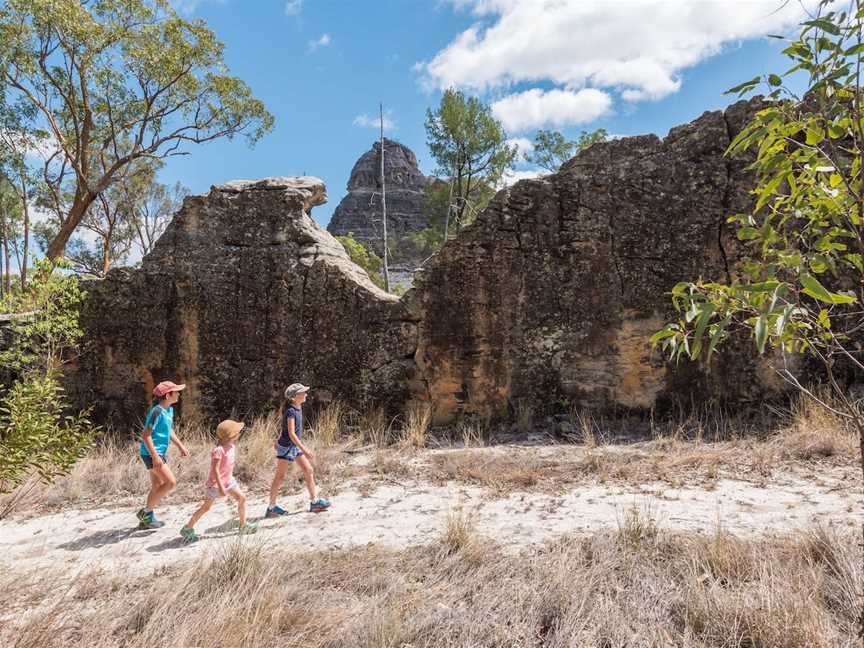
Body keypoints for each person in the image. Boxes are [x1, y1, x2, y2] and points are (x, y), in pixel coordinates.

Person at [179, 419, 257, 543]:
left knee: (242, 498)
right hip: (215, 485)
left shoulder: (232, 446)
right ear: (231, 435)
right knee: (206, 508)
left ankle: (242, 526)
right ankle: (188, 528)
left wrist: (227, 483)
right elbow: (215, 470)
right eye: (237, 432)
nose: (239, 433)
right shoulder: (218, 450)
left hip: (229, 481)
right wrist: (221, 487)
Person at [265, 383, 331, 517]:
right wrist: (305, 449)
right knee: (280, 477)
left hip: (293, 446)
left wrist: (278, 439)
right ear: (295, 397)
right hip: (287, 447)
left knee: (308, 470)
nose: (306, 394)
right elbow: (291, 433)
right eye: (303, 392)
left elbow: (285, 429)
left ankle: (315, 502)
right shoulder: (291, 410)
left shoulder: (298, 407)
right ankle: (271, 507)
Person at [137, 380, 189, 529]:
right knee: (170, 482)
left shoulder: (169, 410)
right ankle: (146, 513)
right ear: (168, 395)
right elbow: (146, 435)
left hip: (156, 453)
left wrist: (180, 446)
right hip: (151, 453)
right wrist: (155, 456)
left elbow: (169, 430)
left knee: (157, 485)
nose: (179, 393)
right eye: (176, 391)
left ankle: (147, 519)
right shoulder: (157, 411)